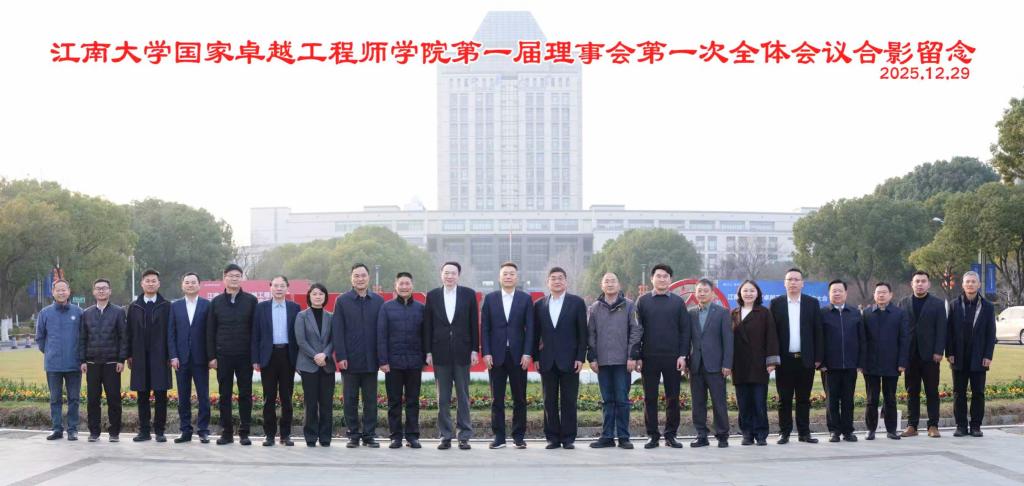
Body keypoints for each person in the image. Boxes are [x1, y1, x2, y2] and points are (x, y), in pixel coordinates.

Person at [423, 261, 479, 450]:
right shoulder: (432, 296)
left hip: (463, 352)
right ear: (441, 274)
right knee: (443, 398)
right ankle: (445, 436)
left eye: (453, 273)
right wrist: (428, 351)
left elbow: (474, 323)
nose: (449, 276)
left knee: (463, 395)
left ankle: (464, 436)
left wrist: (474, 350)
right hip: (440, 353)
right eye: (446, 273)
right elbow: (428, 326)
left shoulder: (468, 294)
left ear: (458, 275)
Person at [636, 263, 691, 449]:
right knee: (649, 398)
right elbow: (637, 331)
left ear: (670, 279)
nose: (662, 279)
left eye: (665, 276)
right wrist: (637, 356)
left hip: (673, 358)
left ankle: (670, 435)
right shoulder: (642, 301)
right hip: (648, 357)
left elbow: (685, 331)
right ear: (652, 279)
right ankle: (652, 435)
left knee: (673, 398)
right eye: (658, 276)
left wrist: (683, 355)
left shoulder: (678, 302)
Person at [481, 262, 535, 450]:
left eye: (512, 274)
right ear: (499, 278)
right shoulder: (490, 299)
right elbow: (485, 328)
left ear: (516, 278)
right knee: (497, 399)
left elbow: (530, 329)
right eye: (505, 274)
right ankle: (499, 437)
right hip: (496, 356)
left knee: (519, 398)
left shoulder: (525, 299)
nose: (509, 276)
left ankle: (518, 437)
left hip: (519, 356)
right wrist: (486, 352)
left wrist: (528, 352)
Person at [332, 263, 386, 448]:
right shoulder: (342, 301)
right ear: (351, 278)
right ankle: (353, 435)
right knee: (350, 400)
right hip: (350, 360)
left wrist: (382, 358)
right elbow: (338, 331)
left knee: (371, 400)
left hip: (371, 360)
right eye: (356, 276)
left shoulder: (378, 301)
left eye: (363, 275)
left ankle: (369, 435)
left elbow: (382, 332)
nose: (360, 279)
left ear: (368, 278)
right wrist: (341, 356)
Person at [534, 266, 587, 450]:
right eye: (553, 278)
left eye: (560, 278)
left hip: (570, 360)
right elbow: (535, 334)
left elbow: (583, 333)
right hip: (546, 359)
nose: (557, 281)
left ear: (566, 281)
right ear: (548, 282)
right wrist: (536, 357)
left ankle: (568, 438)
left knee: (569, 400)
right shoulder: (539, 305)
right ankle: (552, 438)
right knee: (549, 401)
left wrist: (580, 357)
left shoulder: (577, 303)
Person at [768, 268, 824, 444]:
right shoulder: (776, 304)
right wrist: (772, 357)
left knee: (803, 399)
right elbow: (771, 334)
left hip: (805, 359)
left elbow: (818, 331)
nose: (793, 282)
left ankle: (804, 433)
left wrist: (818, 357)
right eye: (790, 279)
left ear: (802, 283)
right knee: (784, 399)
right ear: (784, 283)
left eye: (796, 279)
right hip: (784, 360)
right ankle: (784, 432)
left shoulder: (812, 303)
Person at [586, 272, 641, 449]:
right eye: (606, 281)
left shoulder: (629, 306)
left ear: (619, 285)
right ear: (601, 285)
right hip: (602, 362)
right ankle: (607, 436)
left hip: (622, 362)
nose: (610, 284)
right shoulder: (594, 308)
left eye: (613, 281)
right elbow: (591, 334)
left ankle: (624, 437)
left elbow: (636, 331)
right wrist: (592, 358)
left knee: (622, 400)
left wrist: (632, 356)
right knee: (607, 400)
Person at [206, 263, 258, 445]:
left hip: (245, 356)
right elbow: (210, 331)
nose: (234, 279)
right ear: (224, 278)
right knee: (224, 395)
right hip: (223, 356)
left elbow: (255, 331)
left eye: (237, 276)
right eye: (231, 276)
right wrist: (211, 357)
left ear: (241, 278)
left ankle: (244, 432)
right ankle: (226, 433)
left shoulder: (251, 301)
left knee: (245, 394)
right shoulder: (216, 302)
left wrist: (255, 357)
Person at [377, 272, 426, 449]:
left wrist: (424, 358)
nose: (404, 287)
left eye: (407, 283)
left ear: (412, 286)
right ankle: (395, 436)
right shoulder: (386, 308)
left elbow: (425, 335)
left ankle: (412, 436)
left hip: (414, 362)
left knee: (413, 401)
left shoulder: (421, 308)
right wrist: (383, 360)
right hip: (393, 363)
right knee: (394, 401)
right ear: (395, 286)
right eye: (401, 284)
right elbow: (381, 336)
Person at [946, 271, 997, 438]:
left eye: (973, 281)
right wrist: (949, 352)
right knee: (958, 393)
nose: (970, 284)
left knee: (978, 393)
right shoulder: (954, 305)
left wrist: (988, 355)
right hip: (958, 356)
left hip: (979, 357)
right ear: (962, 285)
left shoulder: (987, 307)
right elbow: (949, 331)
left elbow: (991, 333)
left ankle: (976, 426)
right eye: (967, 281)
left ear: (979, 284)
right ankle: (961, 426)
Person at [897, 271, 947, 438]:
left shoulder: (937, 304)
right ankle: (912, 425)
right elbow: (900, 330)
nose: (920, 284)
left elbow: (942, 329)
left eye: (923, 281)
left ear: (928, 284)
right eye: (917, 281)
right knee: (912, 391)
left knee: (932, 391)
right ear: (911, 284)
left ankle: (933, 425)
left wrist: (939, 351)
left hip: (931, 355)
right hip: (910, 355)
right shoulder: (903, 303)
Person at [252, 275, 301, 446]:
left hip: (288, 355)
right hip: (268, 356)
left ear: (287, 288)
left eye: (282, 286)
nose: (279, 288)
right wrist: (255, 359)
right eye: (275, 285)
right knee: (269, 397)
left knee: (287, 397)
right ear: (270, 287)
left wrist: (299, 359)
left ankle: (285, 435)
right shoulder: (261, 308)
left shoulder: (295, 308)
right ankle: (269, 435)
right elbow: (255, 334)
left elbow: (298, 335)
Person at [730, 280, 780, 446]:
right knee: (743, 402)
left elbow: (772, 337)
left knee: (759, 402)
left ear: (757, 293)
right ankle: (747, 434)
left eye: (752, 290)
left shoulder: (764, 313)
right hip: (739, 364)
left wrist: (771, 361)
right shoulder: (734, 313)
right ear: (740, 293)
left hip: (759, 364)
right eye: (745, 290)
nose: (748, 293)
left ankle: (761, 434)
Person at [79, 278, 128, 442]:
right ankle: (94, 432)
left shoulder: (118, 312)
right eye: (98, 288)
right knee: (93, 399)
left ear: (110, 291)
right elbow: (82, 338)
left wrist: (121, 359)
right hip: (92, 364)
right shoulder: (86, 313)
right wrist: (82, 360)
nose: (101, 290)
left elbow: (123, 338)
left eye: (104, 288)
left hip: (112, 364)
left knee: (114, 399)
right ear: (94, 292)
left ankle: (114, 433)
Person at [126, 269, 172, 443]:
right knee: (142, 395)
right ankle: (144, 431)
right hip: (139, 357)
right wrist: (129, 354)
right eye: (147, 281)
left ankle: (160, 431)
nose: (151, 283)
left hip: (161, 357)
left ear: (159, 284)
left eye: (154, 281)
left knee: (161, 395)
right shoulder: (134, 306)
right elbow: (128, 333)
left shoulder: (166, 306)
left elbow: (171, 333)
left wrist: (170, 355)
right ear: (142, 284)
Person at [687, 279, 733, 449]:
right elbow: (687, 339)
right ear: (695, 293)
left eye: (705, 291)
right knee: (697, 403)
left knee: (718, 402)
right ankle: (701, 435)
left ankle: (722, 435)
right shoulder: (690, 313)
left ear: (713, 293)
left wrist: (727, 364)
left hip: (716, 365)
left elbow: (728, 341)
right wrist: (686, 362)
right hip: (696, 365)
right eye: (699, 291)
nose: (702, 293)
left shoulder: (722, 313)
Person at [37, 279, 84, 441]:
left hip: (74, 364)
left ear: (69, 292)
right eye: (58, 290)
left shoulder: (78, 312)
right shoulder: (45, 313)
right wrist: (50, 352)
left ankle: (72, 429)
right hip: (53, 365)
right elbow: (40, 338)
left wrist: (80, 357)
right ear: (53, 292)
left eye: (64, 290)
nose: (61, 292)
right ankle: (57, 429)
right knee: (55, 399)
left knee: (74, 399)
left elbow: (83, 337)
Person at [862, 282, 910, 440]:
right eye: (878, 292)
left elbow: (904, 339)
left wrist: (902, 362)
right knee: (872, 399)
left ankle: (891, 430)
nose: (881, 295)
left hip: (892, 363)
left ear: (890, 295)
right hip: (871, 363)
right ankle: (871, 429)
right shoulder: (867, 313)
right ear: (874, 295)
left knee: (890, 398)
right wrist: (861, 362)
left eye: (884, 292)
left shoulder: (899, 314)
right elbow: (862, 340)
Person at [167, 272, 211, 443]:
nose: (190, 285)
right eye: (187, 282)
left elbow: (210, 333)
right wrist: (173, 356)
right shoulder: (175, 306)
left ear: (199, 285)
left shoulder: (207, 305)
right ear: (182, 285)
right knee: (183, 396)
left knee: (203, 396)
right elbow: (171, 333)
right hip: (181, 359)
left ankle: (203, 430)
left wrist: (211, 356)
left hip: (201, 358)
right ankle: (185, 430)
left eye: (193, 282)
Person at [819, 279, 864, 443]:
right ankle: (834, 431)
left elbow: (861, 338)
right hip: (829, 366)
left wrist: (860, 361)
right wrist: (821, 362)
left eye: (840, 290)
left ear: (846, 293)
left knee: (848, 400)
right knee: (831, 401)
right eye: (834, 291)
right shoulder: (822, 313)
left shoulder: (855, 313)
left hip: (850, 365)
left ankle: (848, 431)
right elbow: (818, 339)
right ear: (829, 294)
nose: (837, 293)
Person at [294, 283, 335, 447]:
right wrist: (315, 355)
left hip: (327, 365)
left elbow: (334, 340)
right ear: (309, 296)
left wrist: (325, 354)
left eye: (321, 294)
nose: (318, 297)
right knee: (310, 403)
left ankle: (325, 437)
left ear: (325, 297)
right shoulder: (302, 316)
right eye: (315, 294)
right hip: (308, 365)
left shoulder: (331, 316)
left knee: (326, 403)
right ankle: (310, 436)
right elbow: (301, 341)